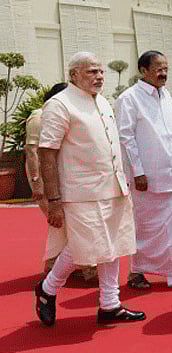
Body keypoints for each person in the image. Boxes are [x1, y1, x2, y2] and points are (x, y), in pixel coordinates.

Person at [35, 51, 145, 326]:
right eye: (91, 72)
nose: (98, 77)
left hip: (113, 187)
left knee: (112, 245)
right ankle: (47, 290)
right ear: (73, 75)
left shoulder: (103, 103)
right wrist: (54, 200)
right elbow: (47, 153)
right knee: (84, 247)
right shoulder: (60, 105)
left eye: (100, 72)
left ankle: (110, 304)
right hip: (79, 193)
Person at [115, 50, 172, 289]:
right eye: (158, 68)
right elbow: (125, 138)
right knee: (146, 227)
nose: (163, 72)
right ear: (143, 71)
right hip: (146, 177)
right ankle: (136, 273)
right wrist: (137, 172)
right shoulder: (130, 98)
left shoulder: (166, 95)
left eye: (166, 67)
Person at [25, 83, 97, 283]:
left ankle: (62, 267)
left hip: (62, 178)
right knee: (61, 223)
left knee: (66, 223)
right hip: (45, 179)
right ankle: (74, 269)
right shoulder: (39, 117)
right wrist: (37, 183)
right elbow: (32, 152)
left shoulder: (62, 116)